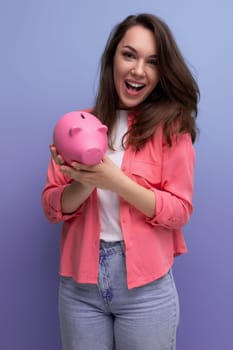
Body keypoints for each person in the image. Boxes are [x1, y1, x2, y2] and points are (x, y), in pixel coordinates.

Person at [42, 13, 199, 350]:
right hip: (80, 289)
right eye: (129, 54)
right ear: (112, 57)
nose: (138, 70)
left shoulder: (172, 130)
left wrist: (116, 181)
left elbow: (180, 210)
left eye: (152, 61)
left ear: (161, 72)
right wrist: (84, 182)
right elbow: (53, 208)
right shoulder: (77, 125)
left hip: (146, 290)